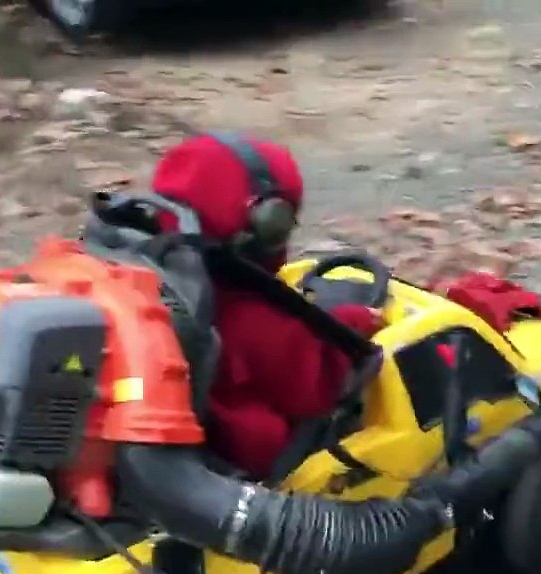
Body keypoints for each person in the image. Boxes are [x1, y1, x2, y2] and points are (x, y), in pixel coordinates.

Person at [149, 132, 383, 479]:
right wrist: (354, 321)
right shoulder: (247, 316)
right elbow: (315, 385)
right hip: (240, 466)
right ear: (267, 221)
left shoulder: (149, 267)